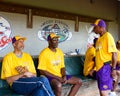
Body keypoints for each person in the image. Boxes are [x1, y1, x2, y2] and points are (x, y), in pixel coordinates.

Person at [91, 19, 118, 96]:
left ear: (101, 27)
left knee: (104, 92)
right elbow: (98, 56)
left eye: (95, 27)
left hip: (105, 68)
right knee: (101, 90)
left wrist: (113, 69)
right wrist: (94, 68)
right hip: (99, 69)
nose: (94, 29)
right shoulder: (99, 39)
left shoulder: (108, 36)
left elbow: (114, 54)